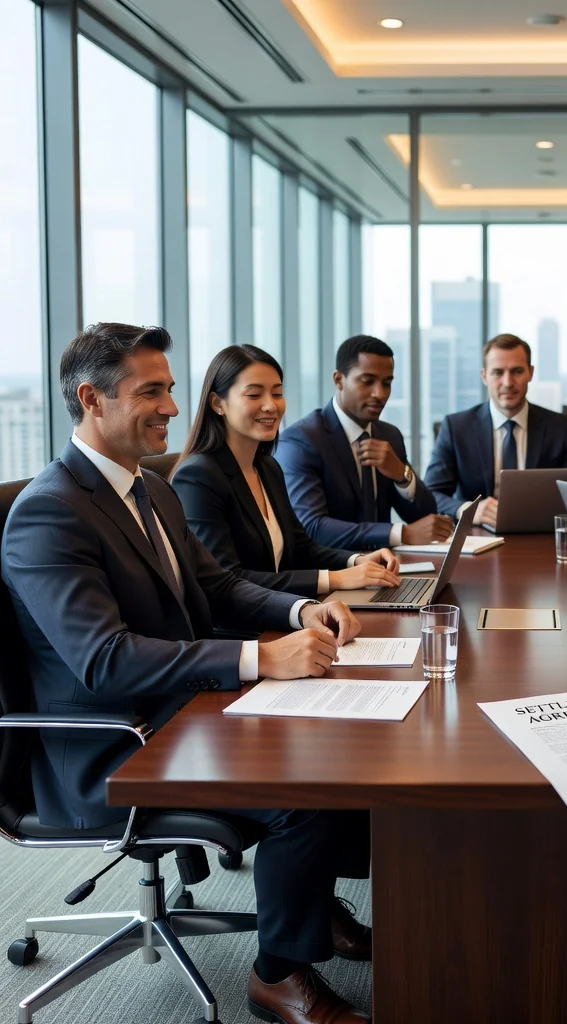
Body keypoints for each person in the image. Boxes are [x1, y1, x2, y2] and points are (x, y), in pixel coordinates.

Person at [2, 323, 374, 1024]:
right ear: (91, 399)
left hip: (178, 714)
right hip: (108, 748)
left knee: (344, 738)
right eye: (152, 392)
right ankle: (278, 976)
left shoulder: (151, 488)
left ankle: (313, 911)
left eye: (170, 389)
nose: (173, 407)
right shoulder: (48, 515)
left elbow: (222, 588)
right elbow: (104, 660)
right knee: (307, 791)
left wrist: (301, 611)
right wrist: (258, 658)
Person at [172, 344, 400, 598]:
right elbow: (229, 579)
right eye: (254, 395)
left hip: (288, 612)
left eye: (277, 393)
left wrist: (357, 561)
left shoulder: (267, 467)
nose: (271, 406)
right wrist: (335, 578)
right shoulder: (198, 478)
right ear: (217, 403)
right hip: (241, 631)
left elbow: (302, 549)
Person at [277, 334, 448, 551]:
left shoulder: (390, 435)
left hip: (389, 568)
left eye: (387, 383)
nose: (380, 393)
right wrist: (401, 533)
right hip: (335, 575)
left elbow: (425, 517)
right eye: (367, 382)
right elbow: (313, 526)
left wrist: (401, 474)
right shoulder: (301, 440)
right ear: (339, 380)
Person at [423, 333, 567, 527]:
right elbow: (431, 495)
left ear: (530, 372)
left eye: (517, 371)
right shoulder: (456, 428)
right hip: (476, 539)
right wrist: (468, 509)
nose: (508, 382)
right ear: (484, 376)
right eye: (498, 372)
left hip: (541, 536)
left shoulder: (560, 427)